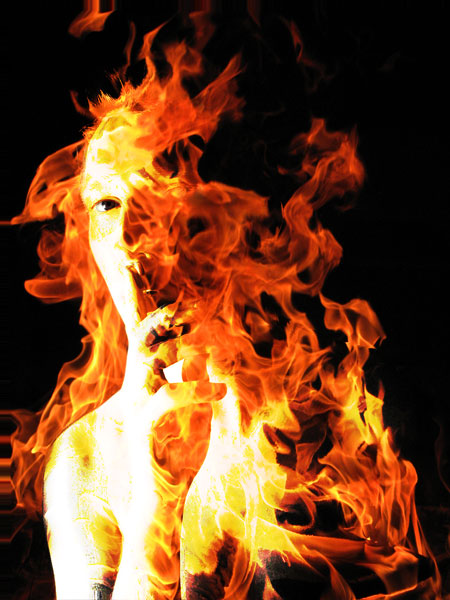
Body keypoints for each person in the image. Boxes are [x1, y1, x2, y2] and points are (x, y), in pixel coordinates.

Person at [14, 16, 436, 600]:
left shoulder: (341, 408)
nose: (130, 241)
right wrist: (157, 502)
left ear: (222, 220)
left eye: (158, 199)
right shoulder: (88, 456)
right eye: (107, 205)